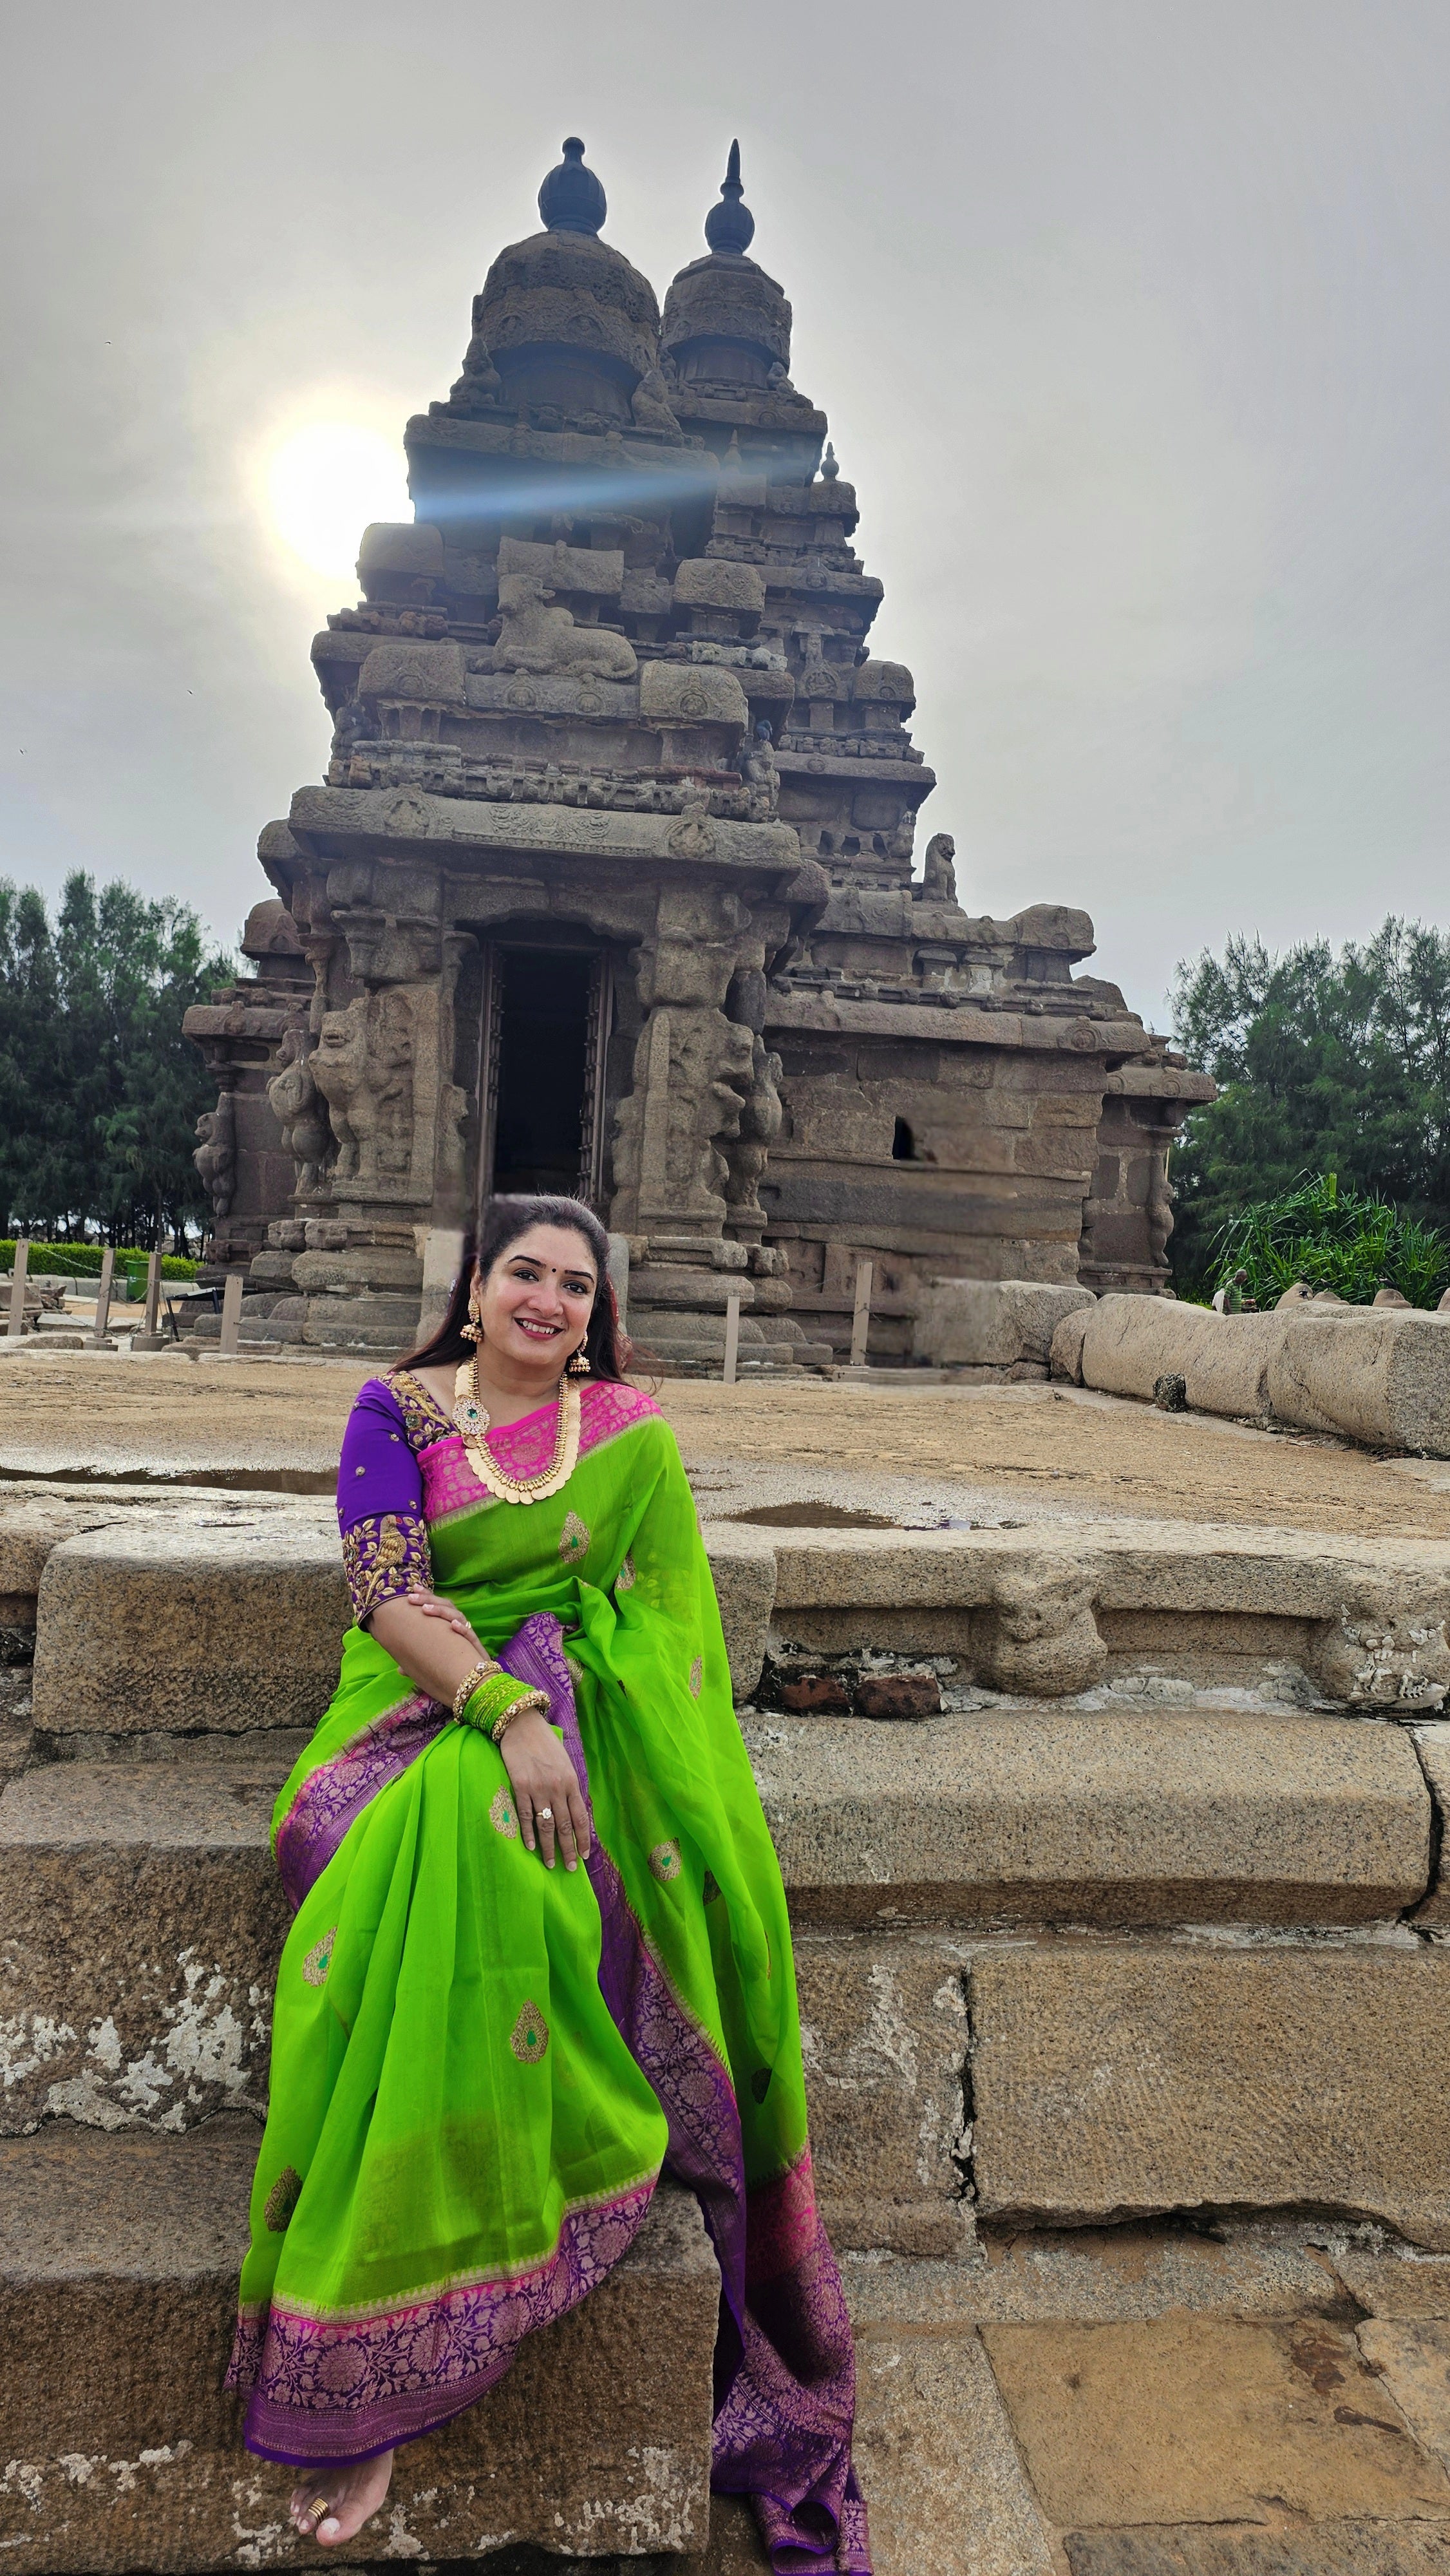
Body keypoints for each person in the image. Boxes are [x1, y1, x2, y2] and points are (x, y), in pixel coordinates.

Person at [226, 1193, 871, 2575]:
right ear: (474, 1289)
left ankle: (530, 2185)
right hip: (421, 1690)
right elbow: (385, 1588)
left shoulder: (628, 1431)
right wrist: (506, 1708)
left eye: (576, 1283)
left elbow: (665, 1618)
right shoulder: (391, 1410)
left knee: (531, 1865)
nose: (549, 1297)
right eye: (525, 1270)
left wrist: (573, 1705)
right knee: (441, 1832)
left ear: (596, 1314)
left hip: (581, 1681)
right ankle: (376, 2344)